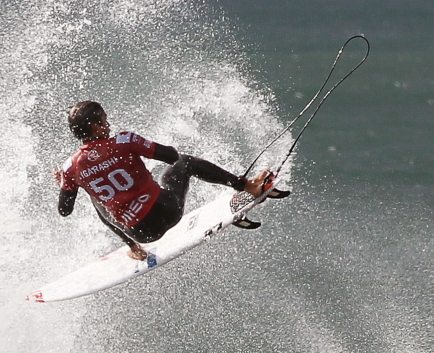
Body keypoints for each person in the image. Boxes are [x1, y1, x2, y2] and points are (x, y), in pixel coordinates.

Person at [54, 101, 287, 260]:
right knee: (185, 163)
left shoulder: (70, 169)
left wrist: (69, 183)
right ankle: (247, 186)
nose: (109, 124)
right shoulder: (124, 141)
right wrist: (135, 148)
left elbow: (64, 210)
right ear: (95, 126)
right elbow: (171, 156)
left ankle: (133, 249)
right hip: (167, 210)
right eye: (104, 121)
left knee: (96, 198)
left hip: (142, 233)